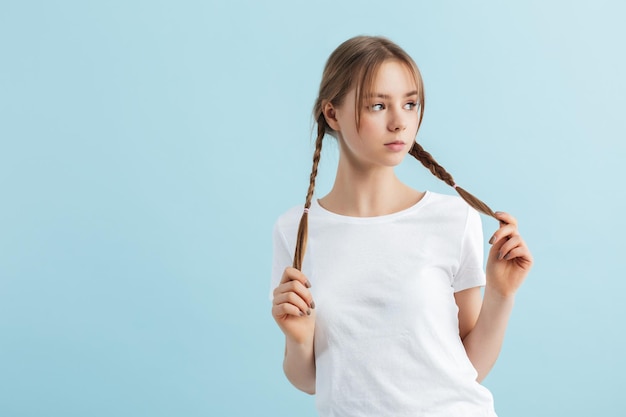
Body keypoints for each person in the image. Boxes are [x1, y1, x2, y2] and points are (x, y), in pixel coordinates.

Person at [270, 35, 533, 417]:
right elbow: (309, 380)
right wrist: (299, 338)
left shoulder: (452, 218)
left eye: (410, 104)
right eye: (378, 105)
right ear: (332, 114)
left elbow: (469, 369)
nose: (400, 122)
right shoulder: (295, 230)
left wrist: (502, 294)